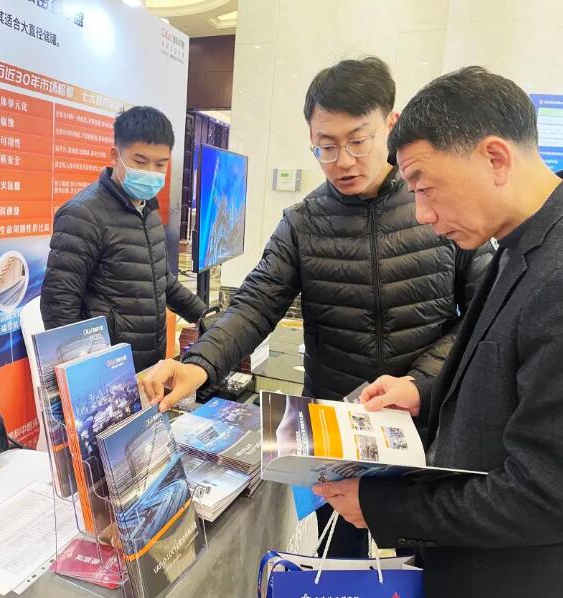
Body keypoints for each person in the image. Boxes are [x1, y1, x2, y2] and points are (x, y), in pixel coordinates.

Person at [140, 57, 493, 556]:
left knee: (425, 560)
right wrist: (197, 365)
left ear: (391, 126)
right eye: (325, 147)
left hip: (425, 424)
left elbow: (483, 316)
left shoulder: (436, 205)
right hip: (335, 432)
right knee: (338, 559)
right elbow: (255, 303)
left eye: (357, 141)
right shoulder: (303, 222)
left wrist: (422, 383)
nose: (342, 161)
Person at [311, 66, 563, 597]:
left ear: (495, 158)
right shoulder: (518, 241)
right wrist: (425, 393)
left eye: (426, 188)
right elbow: (507, 370)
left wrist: (385, 506)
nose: (423, 214)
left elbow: (545, 494)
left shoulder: (555, 275)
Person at [40, 106, 206, 371]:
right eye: (140, 162)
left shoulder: (148, 209)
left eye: (160, 164)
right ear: (115, 155)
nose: (151, 172)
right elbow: (59, 303)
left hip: (148, 365)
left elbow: (162, 280)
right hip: (107, 370)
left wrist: (206, 317)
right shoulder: (83, 214)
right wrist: (83, 373)